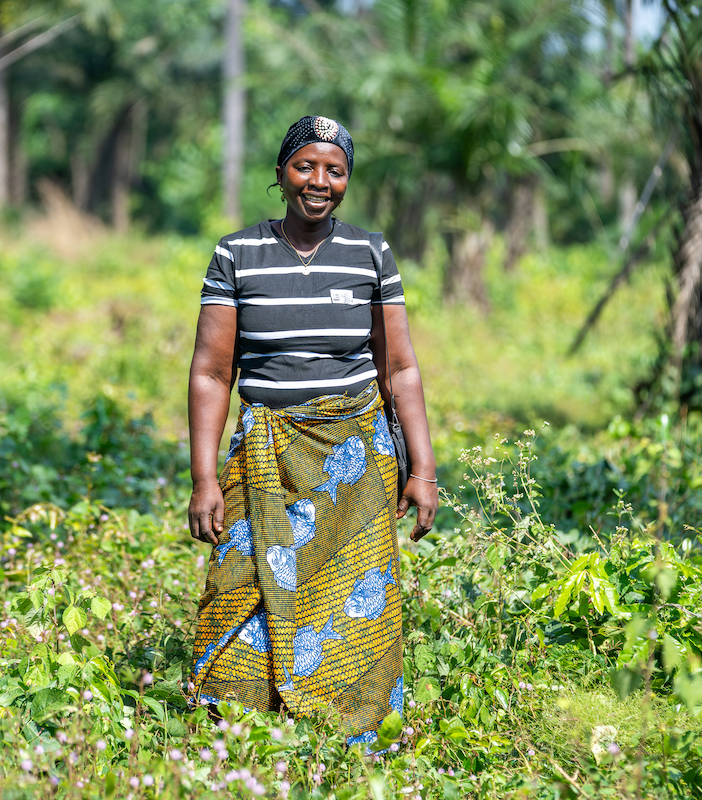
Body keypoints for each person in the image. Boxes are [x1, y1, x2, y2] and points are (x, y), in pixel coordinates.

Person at [186, 115, 437, 746]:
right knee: (238, 588)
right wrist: (204, 478)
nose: (318, 182)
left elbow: (399, 368)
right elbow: (214, 374)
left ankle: (348, 738)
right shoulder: (236, 253)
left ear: (347, 179)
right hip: (262, 456)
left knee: (352, 601)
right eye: (305, 166)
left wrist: (423, 471)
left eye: (335, 169)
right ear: (280, 175)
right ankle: (236, 733)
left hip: (355, 460)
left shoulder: (369, 252)